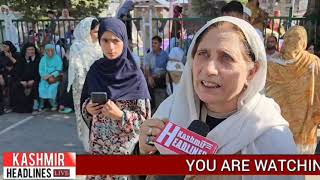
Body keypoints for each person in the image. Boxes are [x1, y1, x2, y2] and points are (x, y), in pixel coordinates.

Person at [137, 16, 301, 180]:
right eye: (203, 54)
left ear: (252, 72)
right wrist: (142, 151)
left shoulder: (271, 136)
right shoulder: (170, 110)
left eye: (226, 57)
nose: (209, 69)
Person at [80, 18, 151, 180]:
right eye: (105, 40)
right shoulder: (95, 69)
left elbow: (145, 122)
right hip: (98, 148)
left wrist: (121, 115)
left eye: (115, 41)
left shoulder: (135, 75)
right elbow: (84, 103)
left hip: (124, 151)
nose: (110, 47)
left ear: (124, 41)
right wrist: (88, 108)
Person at [266, 26, 320, 154]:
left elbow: (262, 93)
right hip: (304, 124)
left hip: (276, 124)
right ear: (303, 42)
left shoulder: (272, 64)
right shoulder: (314, 63)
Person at [67, 17, 103, 152]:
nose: (98, 35)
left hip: (99, 85)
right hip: (83, 87)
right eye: (95, 32)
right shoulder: (77, 47)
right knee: (86, 114)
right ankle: (88, 145)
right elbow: (78, 70)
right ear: (86, 31)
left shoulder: (99, 46)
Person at [13, 43, 41, 113]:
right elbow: (16, 72)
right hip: (23, 80)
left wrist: (33, 80)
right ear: (25, 50)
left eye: (32, 49)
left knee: (36, 85)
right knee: (16, 85)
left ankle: (35, 105)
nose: (31, 51)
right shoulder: (20, 59)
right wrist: (21, 81)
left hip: (35, 79)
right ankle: (19, 106)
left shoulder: (38, 59)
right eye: (29, 49)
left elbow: (39, 72)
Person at [144, 36, 168, 110]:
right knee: (147, 82)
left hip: (162, 78)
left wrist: (160, 74)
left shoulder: (165, 55)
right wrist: (150, 77)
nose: (153, 45)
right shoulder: (149, 55)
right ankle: (152, 107)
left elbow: (167, 69)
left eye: (155, 43)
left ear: (160, 44)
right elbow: (147, 68)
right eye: (152, 43)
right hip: (152, 78)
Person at [38, 44, 63, 111]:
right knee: (42, 88)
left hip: (54, 78)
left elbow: (59, 69)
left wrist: (51, 75)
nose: (50, 52)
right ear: (45, 51)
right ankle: (41, 105)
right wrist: (45, 76)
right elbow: (41, 70)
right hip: (44, 78)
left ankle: (54, 104)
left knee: (52, 89)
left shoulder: (57, 58)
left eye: (51, 50)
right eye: (48, 50)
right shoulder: (43, 59)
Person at [0, 41, 22, 112]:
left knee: (13, 84)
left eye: (5, 46)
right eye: (2, 47)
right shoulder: (1, 55)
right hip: (3, 75)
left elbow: (19, 65)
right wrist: (0, 77)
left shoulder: (17, 54)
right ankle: (4, 106)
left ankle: (12, 106)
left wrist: (10, 57)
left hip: (16, 75)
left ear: (10, 46)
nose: (4, 48)